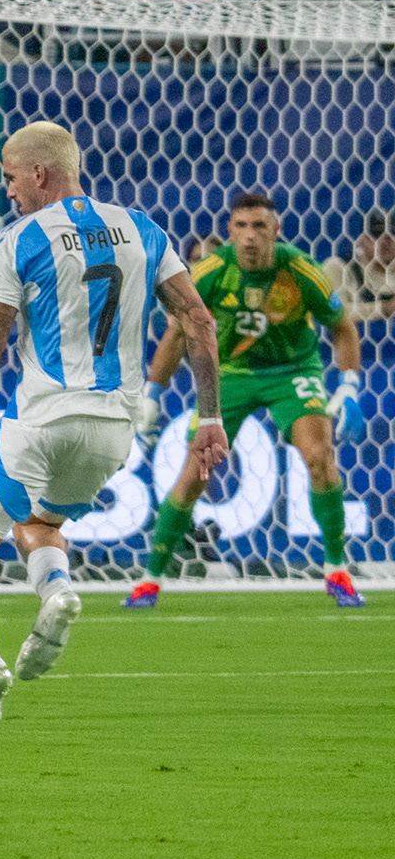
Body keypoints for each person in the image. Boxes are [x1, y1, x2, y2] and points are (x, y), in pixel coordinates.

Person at [0, 121, 225, 720]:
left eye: (10, 177)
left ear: (39, 172)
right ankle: (59, 591)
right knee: (39, 523)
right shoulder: (142, 229)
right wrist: (210, 417)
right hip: (113, 429)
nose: (8, 190)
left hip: (43, 419)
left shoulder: (17, 240)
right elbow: (198, 320)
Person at [132, 192, 366, 611]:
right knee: (195, 472)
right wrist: (152, 393)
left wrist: (348, 386)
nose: (250, 236)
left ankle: (337, 571)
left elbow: (342, 326)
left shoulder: (300, 270)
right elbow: (177, 332)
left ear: (277, 230)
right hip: (229, 376)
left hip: (292, 372)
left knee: (320, 456)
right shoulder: (211, 271)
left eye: (259, 226)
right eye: (241, 226)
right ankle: (150, 580)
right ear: (230, 231)